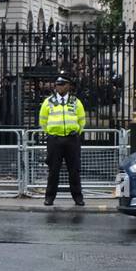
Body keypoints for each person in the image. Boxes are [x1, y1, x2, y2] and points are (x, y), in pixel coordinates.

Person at [39, 72, 87, 207]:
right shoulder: (48, 102)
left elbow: (82, 120)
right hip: (55, 140)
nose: (59, 87)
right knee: (53, 170)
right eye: (57, 85)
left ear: (69, 86)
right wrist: (50, 133)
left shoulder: (76, 102)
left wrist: (77, 132)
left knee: (74, 170)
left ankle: (78, 197)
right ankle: (49, 197)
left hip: (72, 139)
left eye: (62, 85)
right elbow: (43, 121)